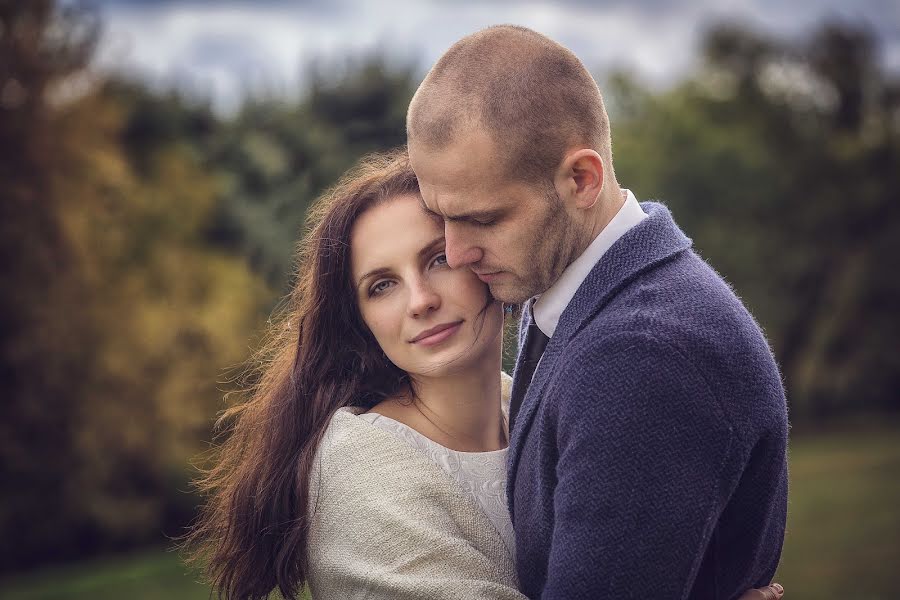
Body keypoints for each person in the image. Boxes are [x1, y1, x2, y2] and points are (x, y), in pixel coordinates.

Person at [183, 150, 786, 600]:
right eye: (382, 285)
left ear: (484, 257)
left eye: (437, 259)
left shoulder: (540, 395)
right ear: (362, 320)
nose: (419, 300)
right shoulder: (362, 468)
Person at [407, 25, 790, 599]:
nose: (456, 253)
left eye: (482, 219)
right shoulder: (578, 300)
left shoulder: (644, 358)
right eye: (441, 216)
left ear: (581, 180)